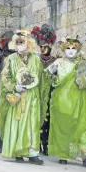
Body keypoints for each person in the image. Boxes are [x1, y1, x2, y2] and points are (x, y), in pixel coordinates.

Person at [45, 34, 86, 167]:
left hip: (80, 101)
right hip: (61, 101)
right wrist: (49, 74)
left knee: (82, 126)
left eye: (73, 48)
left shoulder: (83, 64)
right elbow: (46, 76)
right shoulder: (58, 63)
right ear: (63, 50)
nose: (70, 50)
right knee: (63, 127)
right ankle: (62, 153)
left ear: (78, 50)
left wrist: (84, 81)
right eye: (67, 48)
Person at [0, 30, 44, 165]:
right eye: (17, 42)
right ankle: (17, 151)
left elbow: (41, 77)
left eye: (22, 42)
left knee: (32, 125)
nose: (19, 45)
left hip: (32, 97)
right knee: (17, 124)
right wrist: (13, 87)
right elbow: (4, 78)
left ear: (28, 43)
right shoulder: (10, 59)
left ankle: (33, 153)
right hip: (18, 98)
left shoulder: (36, 59)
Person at [30, 24, 59, 156]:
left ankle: (46, 144)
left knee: (50, 120)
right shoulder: (35, 60)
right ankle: (37, 143)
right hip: (37, 94)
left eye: (45, 47)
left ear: (50, 46)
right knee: (37, 119)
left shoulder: (56, 61)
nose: (43, 49)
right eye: (40, 47)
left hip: (52, 95)